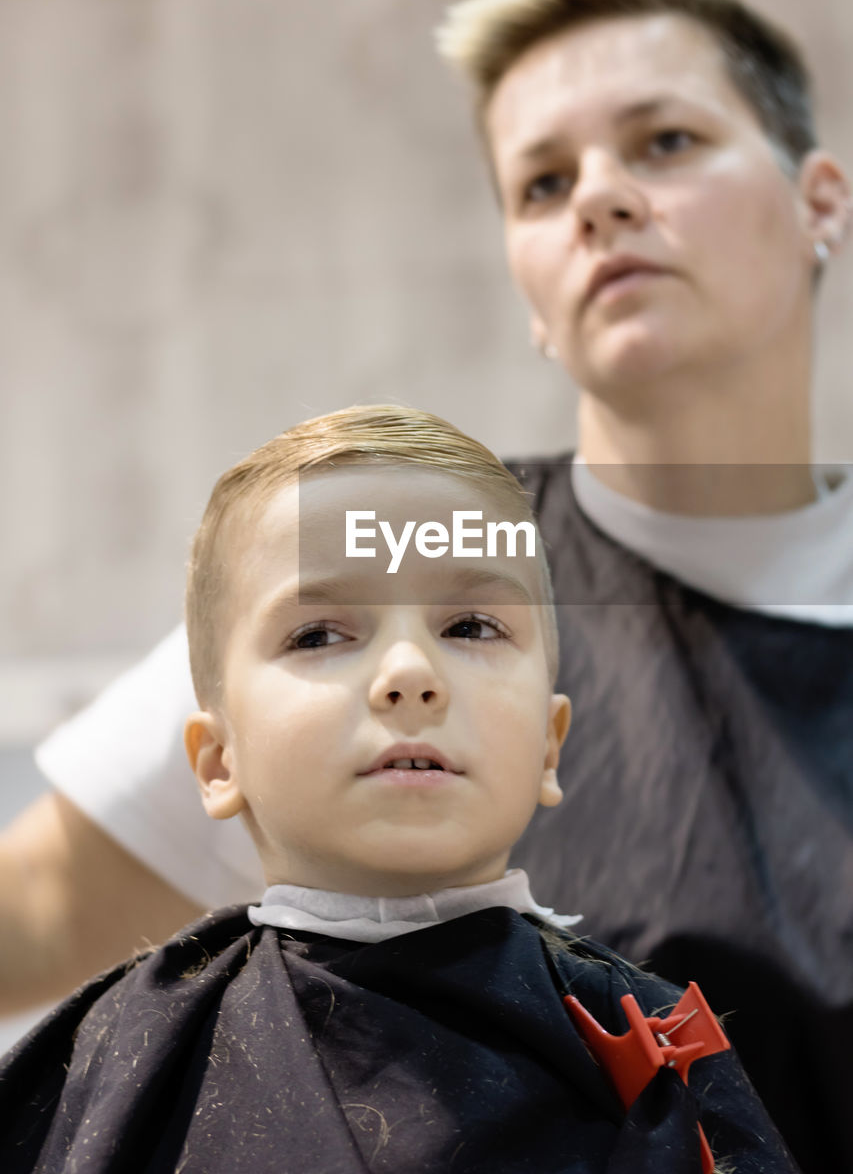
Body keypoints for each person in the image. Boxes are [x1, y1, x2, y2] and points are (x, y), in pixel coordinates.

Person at [1, 0, 851, 1171]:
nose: (601, 198)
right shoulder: (399, 542)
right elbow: (32, 906)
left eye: (664, 142)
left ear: (818, 197)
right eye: (543, 183)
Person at [0, 405, 797, 1174]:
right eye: (319, 634)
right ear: (217, 762)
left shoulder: (651, 1050)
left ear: (550, 746)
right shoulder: (119, 1063)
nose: (410, 674)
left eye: (470, 627)